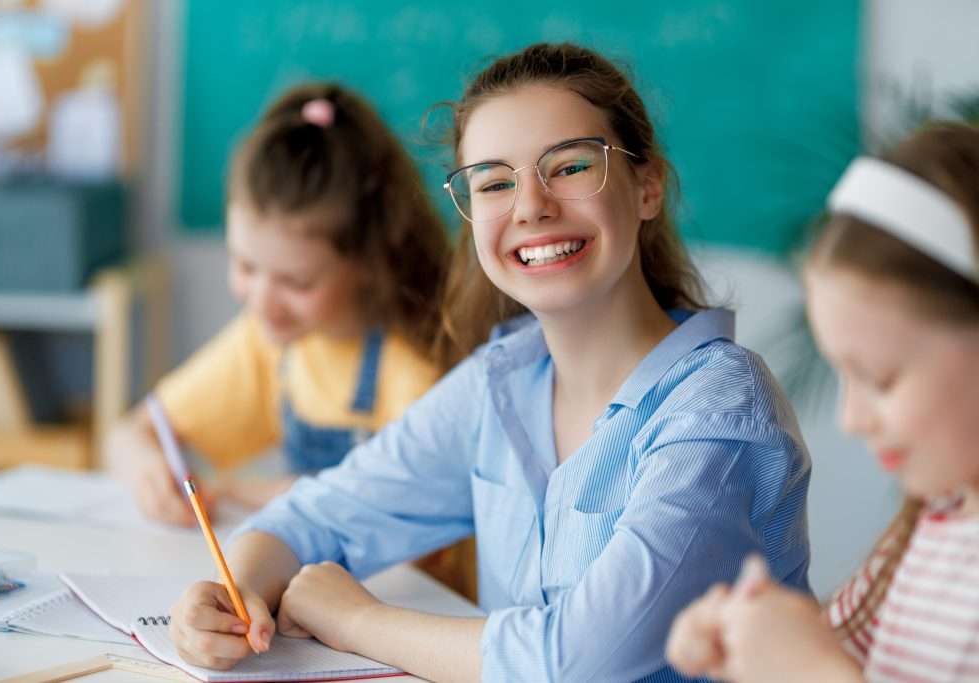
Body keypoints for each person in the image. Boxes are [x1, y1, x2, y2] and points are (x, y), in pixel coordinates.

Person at [168, 43, 811, 682]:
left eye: (570, 167)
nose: (531, 205)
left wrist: (356, 620)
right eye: (496, 182)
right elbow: (318, 514)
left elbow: (580, 662)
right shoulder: (503, 378)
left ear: (647, 188)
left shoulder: (719, 409)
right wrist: (231, 592)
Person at [666, 122, 979, 683]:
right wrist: (749, 639)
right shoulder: (931, 524)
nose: (851, 418)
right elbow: (837, 655)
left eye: (880, 378)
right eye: (843, 377)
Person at [105, 83, 450, 525]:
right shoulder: (270, 339)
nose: (264, 303)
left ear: (370, 259)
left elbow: (395, 519)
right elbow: (130, 433)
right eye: (246, 266)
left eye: (297, 281)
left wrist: (235, 490)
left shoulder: (415, 370)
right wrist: (147, 470)